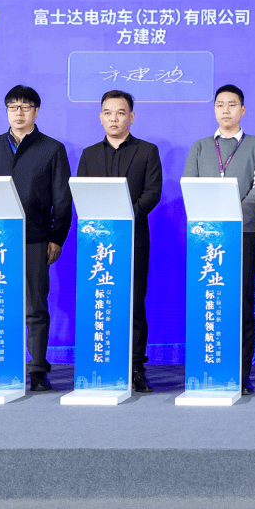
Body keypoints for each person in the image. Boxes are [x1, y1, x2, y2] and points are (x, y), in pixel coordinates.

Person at [0, 85, 72, 392]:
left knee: (35, 307)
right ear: (6, 111)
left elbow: (63, 199)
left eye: (25, 107)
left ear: (36, 112)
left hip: (35, 238)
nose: (19, 113)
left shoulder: (52, 149)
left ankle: (38, 369)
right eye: (13, 107)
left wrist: (56, 237)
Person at [182, 84, 255, 396]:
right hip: (206, 239)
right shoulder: (200, 147)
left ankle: (242, 373)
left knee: (242, 302)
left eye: (232, 104)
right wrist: (212, 219)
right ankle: (206, 366)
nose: (225, 110)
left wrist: (235, 214)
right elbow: (190, 185)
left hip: (243, 234)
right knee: (207, 300)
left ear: (242, 110)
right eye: (220, 104)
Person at [76, 90, 163, 393]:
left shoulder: (147, 151)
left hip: (134, 238)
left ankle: (136, 367)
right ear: (101, 117)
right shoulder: (89, 154)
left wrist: (125, 217)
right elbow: (82, 193)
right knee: (100, 301)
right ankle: (101, 361)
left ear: (132, 117)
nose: (114, 118)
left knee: (134, 304)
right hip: (98, 243)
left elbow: (152, 192)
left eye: (120, 112)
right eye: (108, 113)